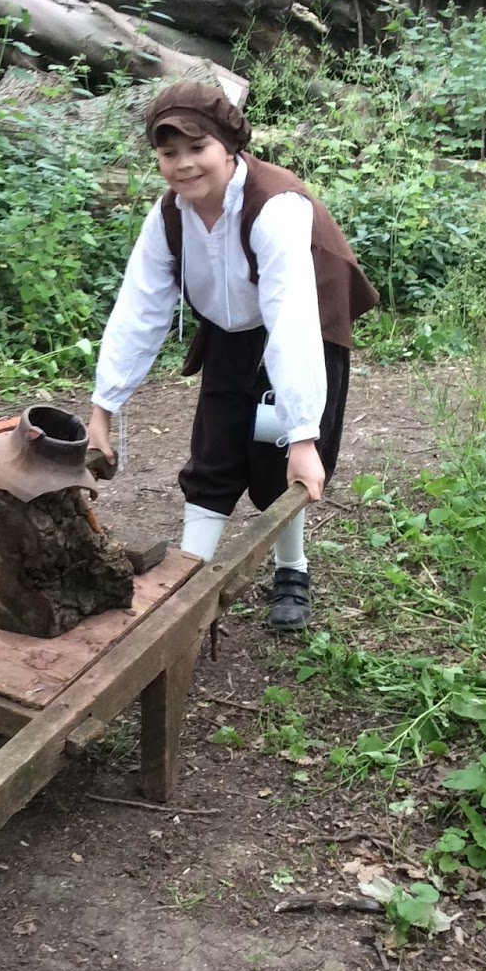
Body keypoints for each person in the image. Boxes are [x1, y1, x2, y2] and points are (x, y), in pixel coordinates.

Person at [86, 80, 378, 630]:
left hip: (307, 324)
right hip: (230, 332)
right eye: (169, 153)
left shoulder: (276, 208)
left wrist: (304, 437)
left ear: (229, 145)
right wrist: (105, 407)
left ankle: (293, 567)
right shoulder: (170, 215)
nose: (184, 165)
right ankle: (188, 582)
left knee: (279, 460)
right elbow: (139, 307)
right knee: (215, 454)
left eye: (198, 149)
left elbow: (291, 317)